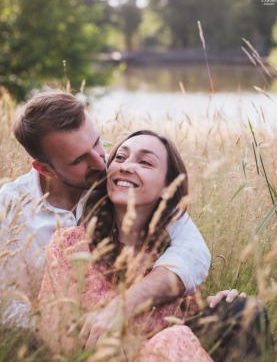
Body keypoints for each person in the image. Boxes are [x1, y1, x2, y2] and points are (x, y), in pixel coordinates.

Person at [37, 129, 243, 362]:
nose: (126, 166)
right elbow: (53, 337)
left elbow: (191, 331)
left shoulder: (171, 254)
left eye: (145, 162)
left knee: (231, 314)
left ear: (167, 187)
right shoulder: (71, 244)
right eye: (120, 157)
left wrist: (220, 302)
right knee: (175, 340)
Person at [0, 91, 210, 327]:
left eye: (97, 143)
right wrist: (74, 333)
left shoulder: (123, 178)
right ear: (45, 169)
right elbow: (6, 306)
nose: (101, 163)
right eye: (79, 160)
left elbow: (193, 252)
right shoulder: (8, 210)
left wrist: (121, 308)